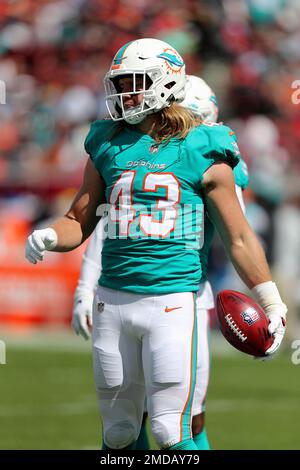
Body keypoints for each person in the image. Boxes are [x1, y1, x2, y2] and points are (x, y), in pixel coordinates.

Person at [25, 38, 287, 451]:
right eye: (119, 83)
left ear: (165, 82)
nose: (123, 93)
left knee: (169, 430)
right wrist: (51, 235)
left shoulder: (204, 145)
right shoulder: (107, 141)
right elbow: (80, 219)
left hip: (173, 301)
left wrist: (270, 300)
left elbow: (238, 236)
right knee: (118, 432)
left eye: (134, 82)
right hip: (111, 300)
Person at [71, 74, 250, 451]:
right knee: (125, 422)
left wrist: (266, 300)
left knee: (181, 421)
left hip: (187, 296)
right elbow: (106, 226)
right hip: (128, 292)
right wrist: (85, 287)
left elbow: (240, 238)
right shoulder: (134, 154)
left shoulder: (214, 162)